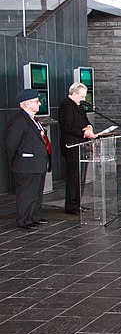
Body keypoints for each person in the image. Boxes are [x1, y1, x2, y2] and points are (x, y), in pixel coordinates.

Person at [5, 89, 51, 230]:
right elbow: (11, 143)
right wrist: (12, 162)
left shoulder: (33, 119)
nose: (39, 104)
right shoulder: (19, 120)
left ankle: (34, 216)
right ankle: (24, 219)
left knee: (36, 192)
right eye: (36, 101)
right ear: (27, 103)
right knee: (27, 193)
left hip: (37, 163)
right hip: (26, 164)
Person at [58, 82, 97, 215]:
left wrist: (89, 127)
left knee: (80, 177)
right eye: (82, 96)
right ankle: (71, 205)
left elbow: (85, 121)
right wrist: (83, 133)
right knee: (73, 177)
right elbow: (67, 126)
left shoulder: (78, 106)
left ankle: (77, 203)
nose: (84, 99)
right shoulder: (66, 106)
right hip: (72, 147)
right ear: (74, 94)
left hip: (81, 146)